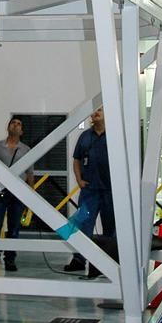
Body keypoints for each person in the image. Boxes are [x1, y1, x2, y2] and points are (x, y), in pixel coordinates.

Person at [64, 107, 116, 273]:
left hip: (110, 191)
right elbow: (76, 160)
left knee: (111, 228)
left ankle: (109, 262)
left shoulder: (116, 135)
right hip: (90, 191)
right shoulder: (85, 136)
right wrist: (79, 180)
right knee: (82, 226)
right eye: (94, 110)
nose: (96, 112)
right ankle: (78, 260)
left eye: (100, 110)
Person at [0, 117, 34, 273]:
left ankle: (10, 259)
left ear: (22, 130)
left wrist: (29, 195)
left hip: (18, 194)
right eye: (13, 123)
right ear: (8, 127)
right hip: (0, 192)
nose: (15, 125)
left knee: (14, 228)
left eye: (19, 124)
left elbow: (30, 173)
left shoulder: (26, 149)